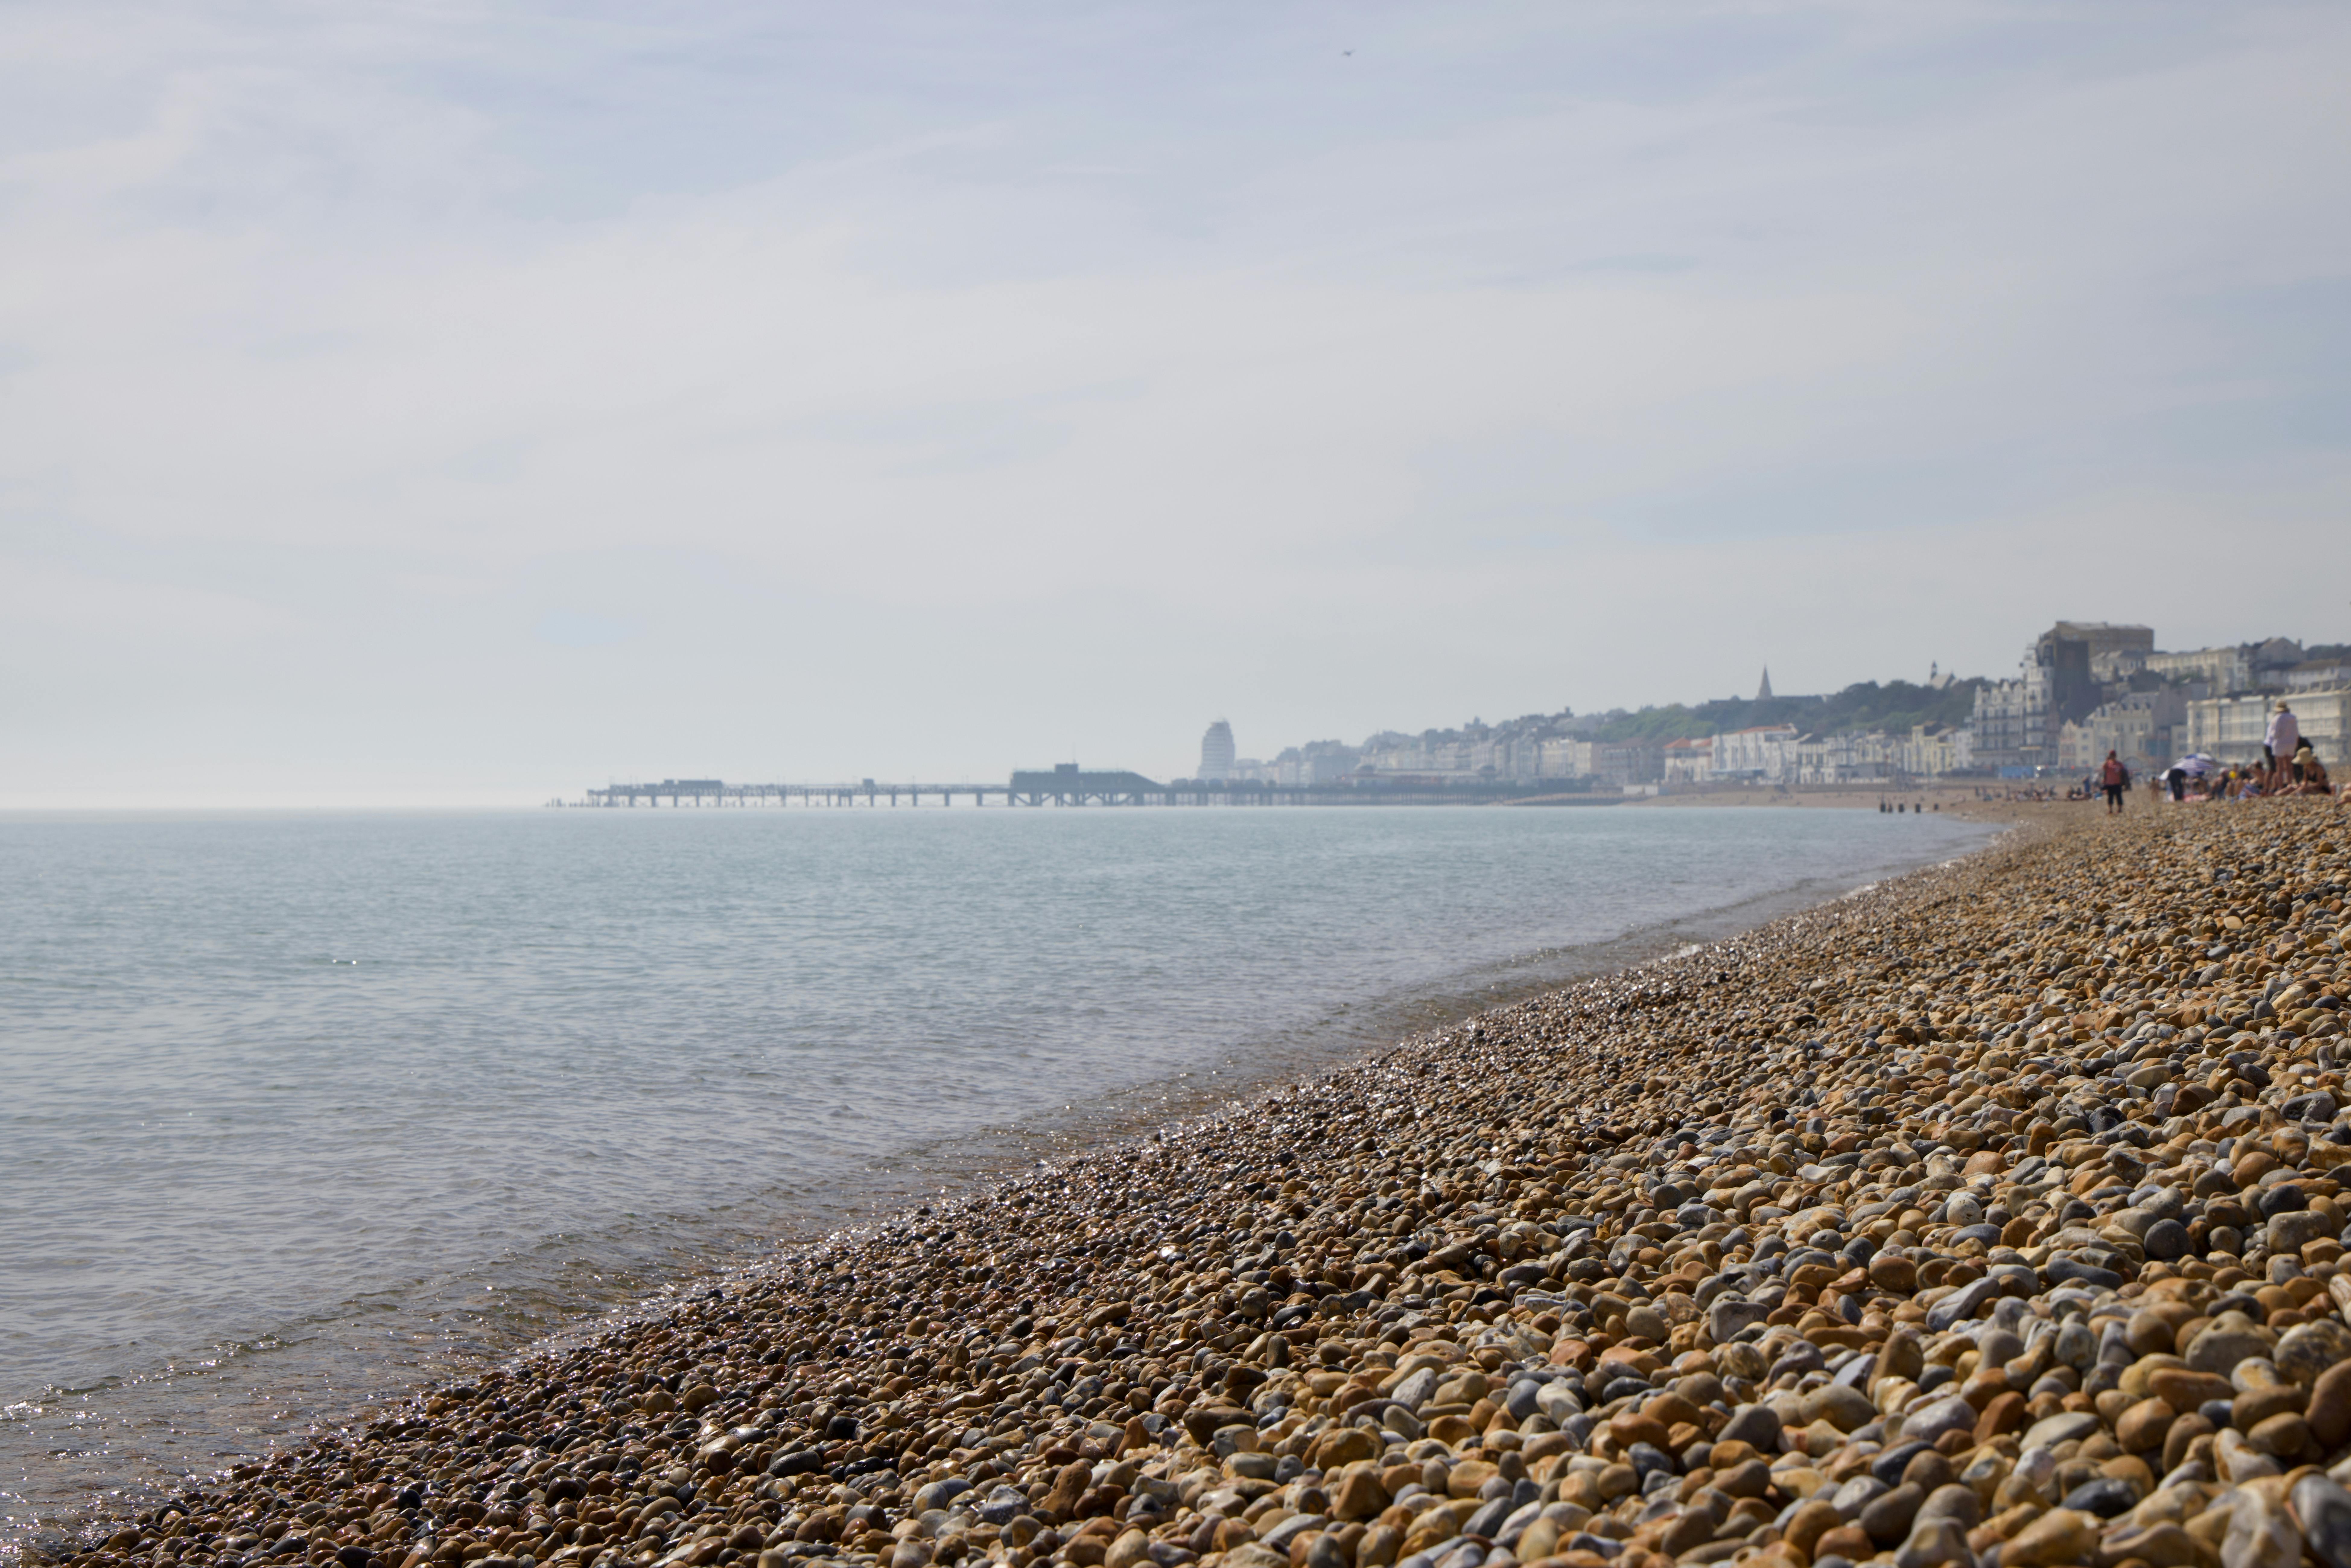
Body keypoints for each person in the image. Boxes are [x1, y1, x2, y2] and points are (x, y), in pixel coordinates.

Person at [2268, 700, 2300, 774]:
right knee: (2290, 767)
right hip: (2292, 743)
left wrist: (2272, 735)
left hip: (2280, 744)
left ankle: (2281, 785)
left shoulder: (2278, 718)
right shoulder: (2293, 718)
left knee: (2280, 767)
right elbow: (2296, 733)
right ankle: (2290, 783)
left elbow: (2276, 734)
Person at [2100, 750, 2129, 814]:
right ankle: (2110, 810)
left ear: (2115, 756)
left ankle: (2120, 809)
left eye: (2113, 756)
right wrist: (2107, 760)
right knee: (2110, 797)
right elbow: (2103, 768)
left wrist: (2125, 783)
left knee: (2119, 797)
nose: (2112, 757)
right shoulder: (2108, 764)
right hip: (2109, 784)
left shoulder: (2119, 764)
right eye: (2111, 756)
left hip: (2117, 783)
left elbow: (2124, 772)